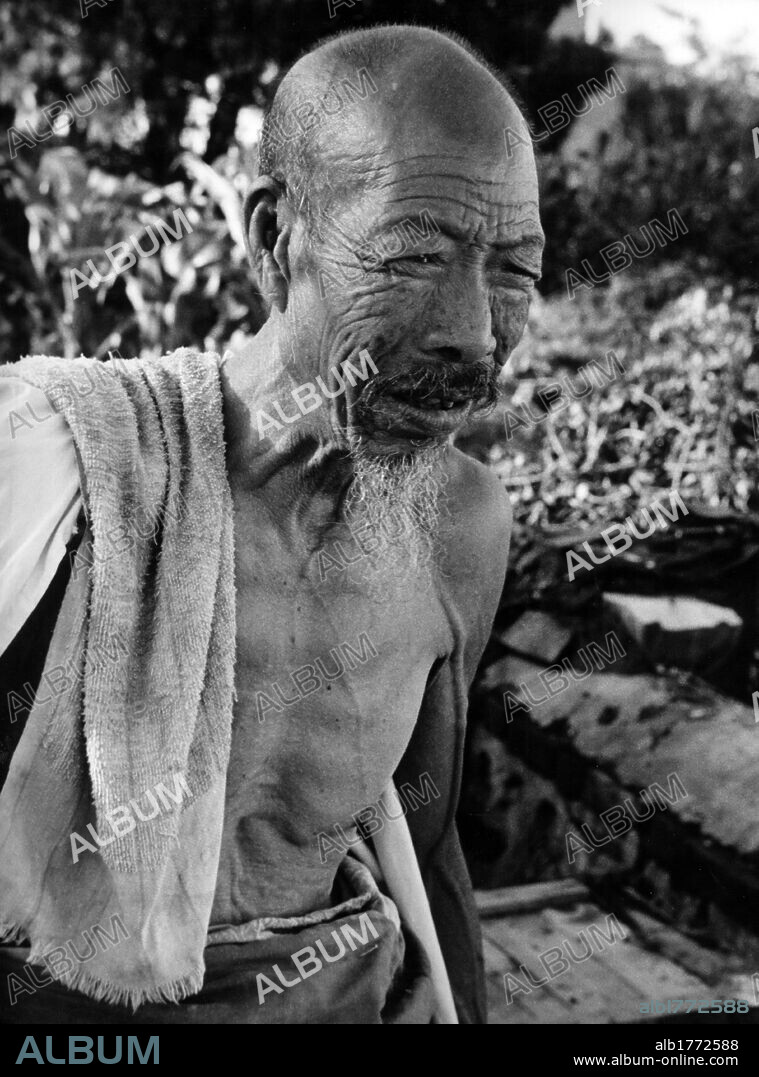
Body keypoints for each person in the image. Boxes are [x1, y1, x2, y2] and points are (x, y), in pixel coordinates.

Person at [0, 24, 543, 1025]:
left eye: (514, 271)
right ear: (270, 236)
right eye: (416, 256)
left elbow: (427, 837)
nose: (474, 337)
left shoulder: (460, 523)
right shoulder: (59, 468)